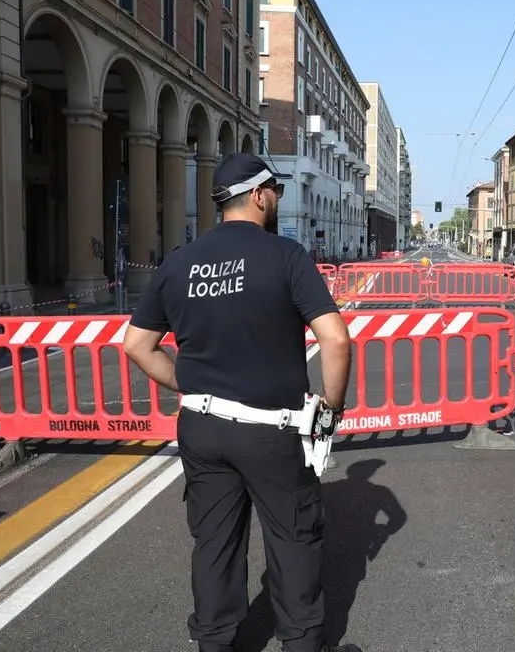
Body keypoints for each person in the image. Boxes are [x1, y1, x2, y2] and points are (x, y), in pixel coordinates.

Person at [123, 153, 360, 652]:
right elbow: (335, 340)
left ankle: (215, 642)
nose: (276, 198)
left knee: (214, 543)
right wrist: (331, 409)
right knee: (293, 541)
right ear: (258, 196)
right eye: (274, 190)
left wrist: (187, 385)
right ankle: (300, 642)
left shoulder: (179, 262)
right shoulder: (285, 255)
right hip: (271, 431)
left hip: (201, 426)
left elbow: (137, 345)